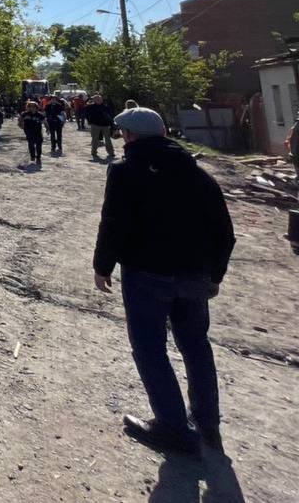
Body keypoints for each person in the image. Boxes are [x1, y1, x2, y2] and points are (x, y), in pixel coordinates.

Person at [92, 107, 235, 455]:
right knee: (196, 345)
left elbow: (115, 223)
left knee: (150, 347)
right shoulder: (198, 174)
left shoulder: (126, 173)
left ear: (129, 136)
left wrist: (102, 266)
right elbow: (224, 232)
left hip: (146, 275)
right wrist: (214, 274)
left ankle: (172, 427)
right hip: (194, 276)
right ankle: (207, 422)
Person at [84, 94, 115, 161]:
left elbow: (110, 115)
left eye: (94, 99)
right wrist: (90, 121)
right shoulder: (93, 107)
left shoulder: (104, 107)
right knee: (97, 140)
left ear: (97, 100)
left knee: (105, 140)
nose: (93, 100)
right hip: (98, 125)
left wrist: (90, 121)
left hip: (102, 125)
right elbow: (86, 113)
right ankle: (95, 152)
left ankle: (109, 152)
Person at [19, 100, 45, 167]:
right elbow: (20, 121)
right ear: (28, 107)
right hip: (29, 132)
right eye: (30, 106)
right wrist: (21, 125)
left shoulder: (39, 115)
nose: (32, 108)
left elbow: (45, 122)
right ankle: (32, 157)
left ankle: (38, 157)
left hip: (38, 132)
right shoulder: (25, 114)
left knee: (39, 145)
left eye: (34, 107)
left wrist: (47, 128)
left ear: (36, 107)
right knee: (31, 145)